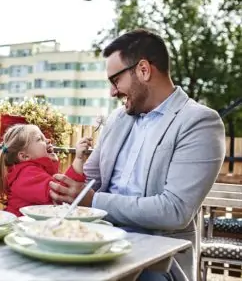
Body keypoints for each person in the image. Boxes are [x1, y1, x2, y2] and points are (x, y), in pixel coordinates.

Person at [48, 29, 225, 281]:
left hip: (157, 259)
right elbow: (89, 180)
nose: (112, 92)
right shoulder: (118, 119)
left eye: (115, 80)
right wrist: (62, 188)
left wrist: (93, 201)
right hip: (96, 241)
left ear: (143, 70)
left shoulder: (199, 122)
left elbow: (174, 210)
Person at [0, 124, 92, 216]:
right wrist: (78, 159)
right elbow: (61, 193)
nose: (48, 140)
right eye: (39, 139)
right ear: (25, 156)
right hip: (20, 229)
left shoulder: (40, 172)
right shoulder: (26, 175)